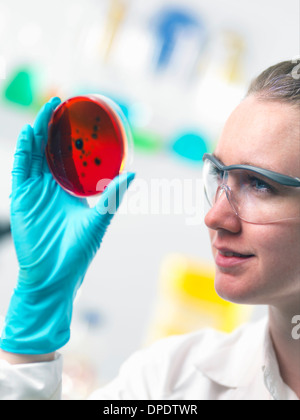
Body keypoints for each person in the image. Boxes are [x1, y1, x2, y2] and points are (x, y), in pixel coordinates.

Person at [0, 60, 299, 400]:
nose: (215, 217)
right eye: (219, 175)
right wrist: (37, 318)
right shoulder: (170, 382)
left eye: (259, 185)